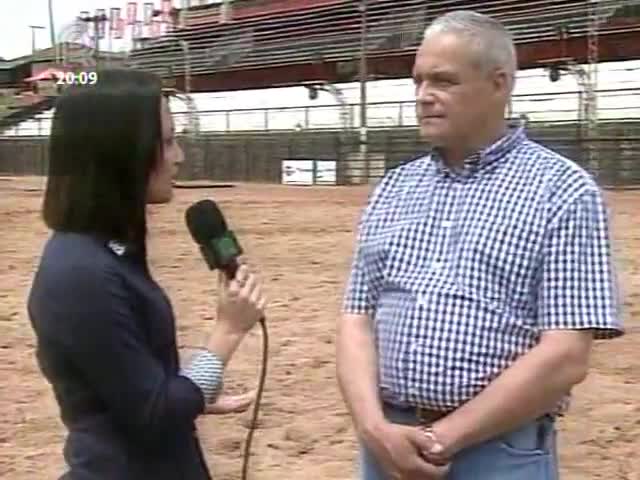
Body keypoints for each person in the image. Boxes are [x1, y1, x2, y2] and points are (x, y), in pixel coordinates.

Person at [336, 10, 624, 480]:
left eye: (443, 81)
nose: (424, 97)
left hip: (495, 455)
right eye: (418, 81)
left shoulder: (563, 191)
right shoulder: (393, 188)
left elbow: (566, 354)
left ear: (499, 84)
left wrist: (439, 440)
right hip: (386, 445)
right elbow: (356, 318)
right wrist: (374, 428)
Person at [27, 68, 266, 479]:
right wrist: (227, 332)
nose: (179, 157)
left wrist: (194, 393)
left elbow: (128, 390)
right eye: (168, 141)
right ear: (123, 151)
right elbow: (154, 414)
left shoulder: (107, 251)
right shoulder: (82, 274)